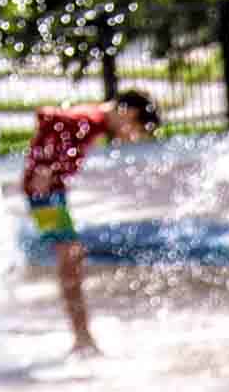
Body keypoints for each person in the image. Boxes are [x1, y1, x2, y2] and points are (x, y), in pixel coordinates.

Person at [21, 90, 160, 355]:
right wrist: (44, 167)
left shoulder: (91, 120)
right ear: (128, 113)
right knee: (70, 261)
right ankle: (82, 337)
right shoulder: (92, 120)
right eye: (134, 130)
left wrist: (47, 164)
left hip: (51, 194)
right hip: (45, 196)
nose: (129, 137)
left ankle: (82, 336)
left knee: (72, 259)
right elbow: (48, 116)